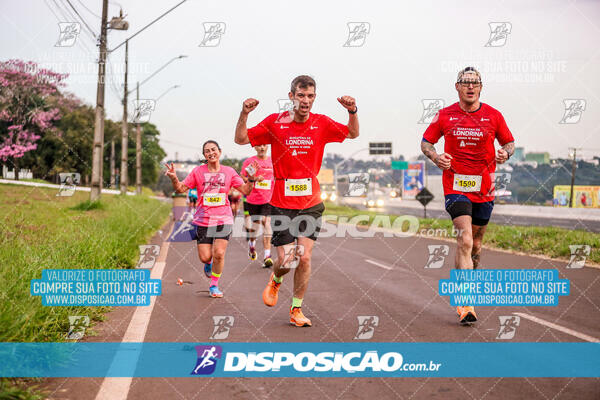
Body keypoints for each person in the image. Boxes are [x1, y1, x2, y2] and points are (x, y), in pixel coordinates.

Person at [235, 75, 360, 327]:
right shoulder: (275, 122)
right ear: (291, 96)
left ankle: (296, 309)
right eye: (301, 95)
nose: (306, 101)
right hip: (281, 203)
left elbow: (353, 133)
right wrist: (244, 113)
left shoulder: (321, 123)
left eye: (310, 96)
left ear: (315, 97)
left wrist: (352, 111)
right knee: (286, 261)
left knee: (304, 258)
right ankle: (276, 278)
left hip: (311, 202)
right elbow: (240, 139)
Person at [421, 66, 515, 324]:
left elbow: (509, 143)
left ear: (481, 87)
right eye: (465, 82)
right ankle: (466, 303)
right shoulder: (445, 115)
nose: (470, 87)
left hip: (484, 188)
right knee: (464, 239)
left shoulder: (494, 116)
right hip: (456, 186)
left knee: (476, 245)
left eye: (475, 83)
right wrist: (436, 157)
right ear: (457, 86)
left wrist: (505, 154)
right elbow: (426, 142)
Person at [165, 140, 257, 298]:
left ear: (219, 152)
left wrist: (252, 179)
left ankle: (214, 285)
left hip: (224, 219)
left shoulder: (229, 172)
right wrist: (174, 178)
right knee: (205, 257)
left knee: (219, 253)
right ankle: (208, 264)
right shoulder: (197, 172)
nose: (210, 153)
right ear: (204, 155)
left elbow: (245, 190)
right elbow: (180, 188)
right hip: (203, 220)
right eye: (207, 151)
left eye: (213, 149)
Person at [241, 144, 275, 268]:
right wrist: (255, 179)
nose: (262, 148)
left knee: (266, 222)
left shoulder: (273, 161)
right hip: (253, 199)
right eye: (259, 146)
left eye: (264, 145)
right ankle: (252, 244)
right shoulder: (250, 162)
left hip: (268, 199)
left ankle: (267, 256)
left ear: (267, 147)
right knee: (255, 225)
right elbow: (243, 178)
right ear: (255, 148)